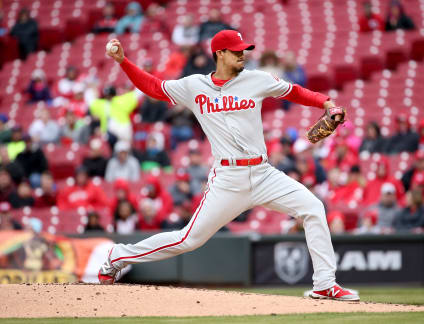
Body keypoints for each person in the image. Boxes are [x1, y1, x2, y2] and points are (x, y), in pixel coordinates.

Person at [98, 30, 359, 301]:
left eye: (243, 50)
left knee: (313, 208)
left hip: (263, 173)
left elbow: (294, 91)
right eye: (236, 51)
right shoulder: (194, 86)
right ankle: (119, 255)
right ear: (219, 54)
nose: (242, 55)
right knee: (188, 239)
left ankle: (325, 284)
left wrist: (326, 102)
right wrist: (123, 61)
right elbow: (154, 87)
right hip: (228, 178)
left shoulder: (257, 79)